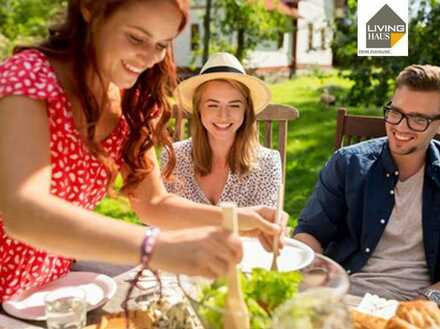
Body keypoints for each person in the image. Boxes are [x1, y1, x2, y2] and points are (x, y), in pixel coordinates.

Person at [0, 0, 281, 302]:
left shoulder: (129, 101)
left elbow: (153, 203)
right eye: (136, 38)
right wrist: (157, 248)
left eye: (162, 44)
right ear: (90, 10)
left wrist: (237, 218)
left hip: (47, 289)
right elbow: (24, 213)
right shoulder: (27, 78)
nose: (149, 58)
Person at [293, 64, 440, 302]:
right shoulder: (348, 163)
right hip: (345, 295)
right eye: (396, 112)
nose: (401, 127)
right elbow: (309, 233)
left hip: (416, 309)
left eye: (418, 119)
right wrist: (318, 281)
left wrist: (426, 303)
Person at [161, 52, 282, 208]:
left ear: (246, 110)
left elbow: (264, 229)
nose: (223, 116)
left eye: (234, 105)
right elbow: (161, 221)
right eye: (213, 105)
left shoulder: (267, 163)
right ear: (198, 109)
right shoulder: (173, 158)